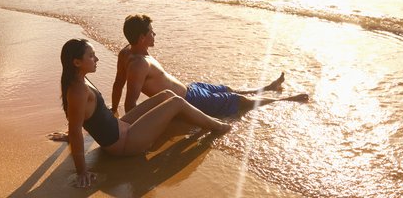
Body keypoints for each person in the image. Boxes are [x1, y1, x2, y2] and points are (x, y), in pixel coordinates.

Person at [57, 38, 230, 188]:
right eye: (91, 56)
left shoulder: (78, 80)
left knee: (167, 95)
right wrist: (82, 171)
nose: (97, 58)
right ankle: (218, 126)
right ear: (77, 62)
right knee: (176, 102)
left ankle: (197, 121)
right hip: (123, 144)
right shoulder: (78, 90)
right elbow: (76, 128)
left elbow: (77, 118)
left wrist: (70, 135)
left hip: (122, 127)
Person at [110, 14, 309, 118]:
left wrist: (113, 110)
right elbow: (130, 104)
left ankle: (268, 88)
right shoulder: (137, 65)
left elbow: (118, 84)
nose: (155, 35)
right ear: (142, 37)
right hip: (192, 101)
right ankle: (287, 99)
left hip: (192, 88)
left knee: (229, 90)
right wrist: (133, 128)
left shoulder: (127, 51)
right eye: (152, 32)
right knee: (240, 101)